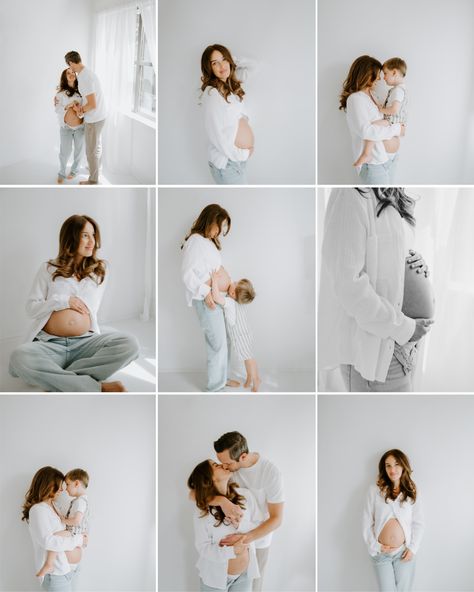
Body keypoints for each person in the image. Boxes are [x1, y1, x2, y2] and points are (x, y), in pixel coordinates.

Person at [318, 187, 435, 392]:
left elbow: (389, 258)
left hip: (403, 344)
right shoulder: (351, 194)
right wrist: (406, 329)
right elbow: (348, 285)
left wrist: (415, 262)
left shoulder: (393, 193)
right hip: (374, 347)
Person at [9, 214, 139, 392]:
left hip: (85, 343)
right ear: (71, 237)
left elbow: (92, 308)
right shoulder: (49, 268)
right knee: (20, 357)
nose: (91, 241)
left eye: (93, 235)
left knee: (130, 344)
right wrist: (64, 301)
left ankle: (59, 381)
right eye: (85, 235)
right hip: (49, 344)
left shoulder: (100, 271)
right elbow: (31, 308)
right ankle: (96, 387)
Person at [212, 432, 284, 592]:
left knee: (254, 588)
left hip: (258, 541)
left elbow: (277, 518)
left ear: (243, 457)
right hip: (231, 540)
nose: (224, 466)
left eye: (227, 463)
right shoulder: (227, 471)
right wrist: (222, 501)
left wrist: (245, 538)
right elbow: (196, 494)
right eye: (220, 462)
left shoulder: (270, 473)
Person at [188, 459, 262, 592]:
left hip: (244, 576)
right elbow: (203, 548)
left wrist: (240, 525)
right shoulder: (202, 511)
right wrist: (232, 551)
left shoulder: (245, 496)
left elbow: (259, 527)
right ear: (210, 479)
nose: (222, 464)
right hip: (215, 579)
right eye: (216, 465)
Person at [181, 204, 233, 392]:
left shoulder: (208, 242)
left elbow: (214, 271)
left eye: (224, 228)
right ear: (210, 220)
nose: (221, 231)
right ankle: (215, 386)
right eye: (220, 226)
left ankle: (223, 378)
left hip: (218, 298)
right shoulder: (195, 241)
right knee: (216, 342)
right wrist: (206, 293)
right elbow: (187, 275)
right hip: (207, 299)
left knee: (224, 340)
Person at [363, 449, 424, 591]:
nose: (392, 469)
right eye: (388, 465)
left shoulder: (412, 491)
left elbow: (418, 523)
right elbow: (366, 523)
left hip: (403, 552)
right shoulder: (374, 491)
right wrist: (375, 546)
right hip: (381, 553)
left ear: (403, 466)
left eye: (396, 464)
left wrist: (412, 548)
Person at [339, 55, 404, 184]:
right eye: (377, 74)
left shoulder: (374, 95)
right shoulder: (356, 99)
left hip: (389, 159)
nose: (379, 78)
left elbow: (383, 122)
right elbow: (367, 131)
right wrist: (397, 129)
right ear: (367, 75)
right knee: (379, 203)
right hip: (374, 164)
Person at [22, 466, 87, 592]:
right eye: (59, 485)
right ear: (48, 485)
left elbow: (66, 531)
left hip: (69, 570)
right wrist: (79, 540)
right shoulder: (38, 510)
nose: (62, 489)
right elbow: (48, 541)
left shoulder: (55, 506)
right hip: (56, 574)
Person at [200, 44, 255, 185]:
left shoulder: (229, 87)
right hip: (228, 163)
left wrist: (232, 59)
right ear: (209, 68)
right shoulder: (212, 94)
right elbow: (218, 134)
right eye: (215, 63)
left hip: (234, 161)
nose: (221, 66)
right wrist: (243, 154)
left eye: (223, 60)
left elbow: (254, 66)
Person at [210, 269, 261, 392]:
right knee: (247, 357)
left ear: (233, 293)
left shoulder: (229, 303)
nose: (233, 281)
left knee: (249, 359)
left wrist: (215, 281)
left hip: (241, 337)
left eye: (235, 282)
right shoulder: (239, 300)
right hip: (246, 334)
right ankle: (249, 377)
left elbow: (216, 297)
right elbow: (234, 286)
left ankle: (256, 379)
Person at [354, 58, 408, 168]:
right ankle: (366, 154)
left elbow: (394, 110)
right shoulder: (356, 98)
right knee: (372, 127)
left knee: (374, 125)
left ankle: (366, 153)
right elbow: (366, 131)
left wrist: (381, 109)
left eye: (385, 74)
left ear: (394, 72)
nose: (383, 78)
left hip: (391, 122)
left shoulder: (398, 90)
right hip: (384, 156)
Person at [37, 469, 90, 578]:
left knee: (56, 536)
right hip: (74, 539)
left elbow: (76, 521)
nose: (65, 489)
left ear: (76, 483)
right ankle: (49, 564)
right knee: (55, 537)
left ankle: (48, 564)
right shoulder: (80, 501)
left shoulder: (81, 502)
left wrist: (63, 520)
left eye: (67, 484)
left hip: (74, 533)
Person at [64, 51, 107, 185]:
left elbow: (92, 104)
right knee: (97, 146)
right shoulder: (88, 72)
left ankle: (93, 180)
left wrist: (81, 110)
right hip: (101, 115)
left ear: (71, 63)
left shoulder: (83, 78)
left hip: (94, 119)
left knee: (90, 151)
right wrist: (81, 108)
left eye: (69, 66)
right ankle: (96, 168)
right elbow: (91, 99)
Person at [55, 68, 85, 184]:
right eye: (68, 73)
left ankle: (74, 170)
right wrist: (68, 106)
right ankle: (61, 172)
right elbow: (57, 109)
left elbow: (83, 112)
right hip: (66, 127)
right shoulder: (60, 94)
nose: (71, 74)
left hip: (80, 127)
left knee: (79, 150)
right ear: (65, 76)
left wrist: (79, 112)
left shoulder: (81, 92)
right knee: (65, 151)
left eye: (73, 73)